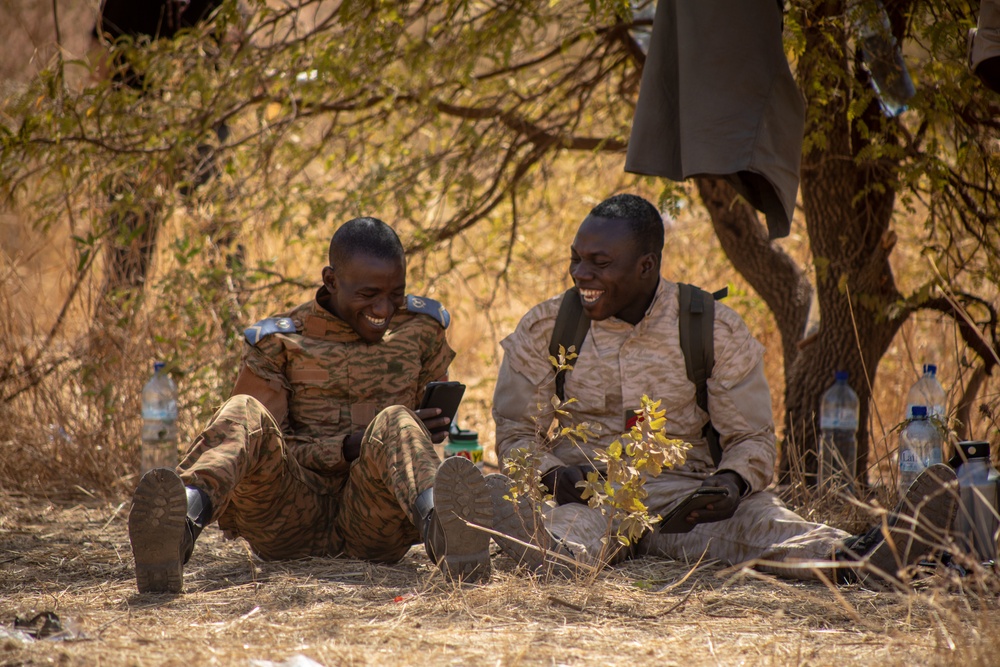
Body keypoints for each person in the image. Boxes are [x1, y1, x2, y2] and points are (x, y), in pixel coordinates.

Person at [489, 193, 957, 584]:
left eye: (599, 263)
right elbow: (515, 434)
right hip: (588, 495)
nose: (580, 273)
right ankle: (497, 544)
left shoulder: (711, 328)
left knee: (769, 528)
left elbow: (751, 440)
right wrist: (553, 475)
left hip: (686, 500)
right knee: (562, 544)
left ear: (647, 266)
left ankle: (868, 556)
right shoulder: (547, 327)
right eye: (576, 258)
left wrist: (730, 484)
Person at [128, 217, 493, 594]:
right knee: (243, 411)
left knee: (398, 419)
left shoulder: (421, 330)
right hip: (290, 519)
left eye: (395, 294)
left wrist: (423, 431)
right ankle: (177, 528)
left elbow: (414, 443)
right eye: (368, 294)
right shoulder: (282, 342)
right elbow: (264, 451)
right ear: (331, 280)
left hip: (375, 523)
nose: (384, 309)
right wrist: (348, 446)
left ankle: (451, 536)